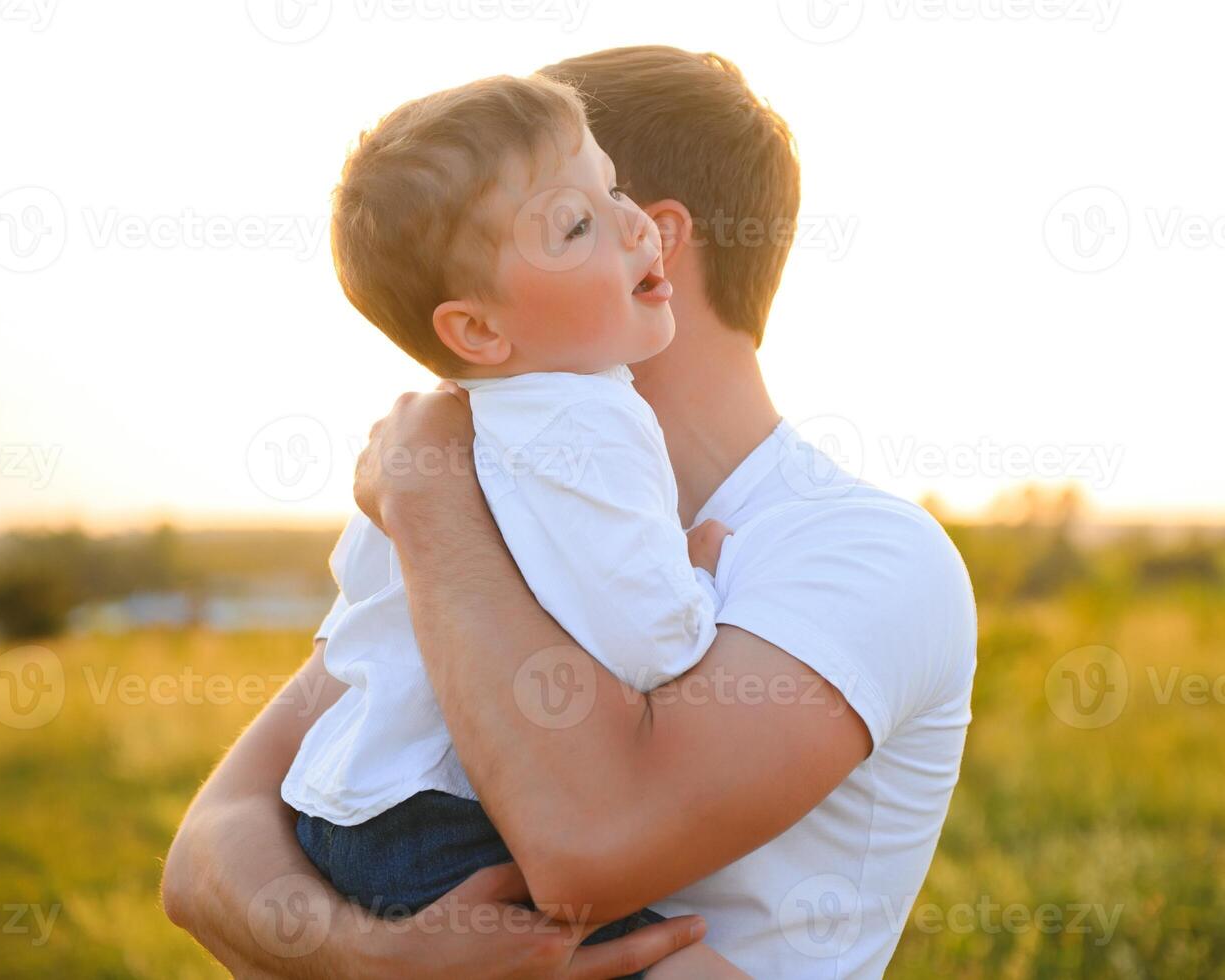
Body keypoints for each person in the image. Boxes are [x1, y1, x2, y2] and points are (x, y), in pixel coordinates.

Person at [163, 46, 977, 978]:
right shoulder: (476, 483)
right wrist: (370, 962)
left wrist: (428, 504)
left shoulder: (861, 552)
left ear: (654, 241)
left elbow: (586, 849)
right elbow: (209, 848)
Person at [279, 70, 740, 978]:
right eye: (575, 226)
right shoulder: (585, 418)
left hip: (339, 813)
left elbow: (368, 610)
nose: (629, 223)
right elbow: (654, 646)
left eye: (610, 189)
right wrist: (698, 579)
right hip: (439, 827)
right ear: (480, 331)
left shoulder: (443, 432)